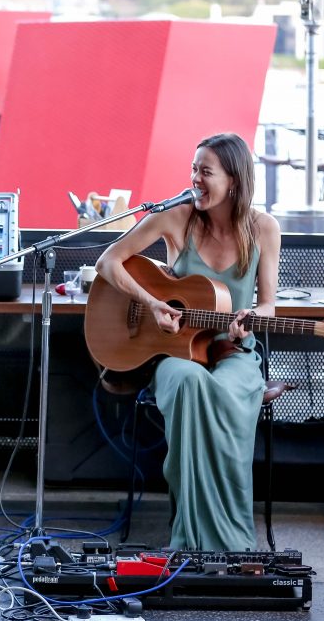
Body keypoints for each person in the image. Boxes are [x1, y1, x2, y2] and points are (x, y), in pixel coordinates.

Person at [95, 132, 281, 552]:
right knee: (189, 381)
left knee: (223, 391)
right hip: (176, 351)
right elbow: (108, 261)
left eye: (206, 171)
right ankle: (190, 536)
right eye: (193, 169)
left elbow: (269, 305)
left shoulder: (264, 229)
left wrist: (252, 318)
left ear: (234, 180)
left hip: (233, 352)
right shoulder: (175, 218)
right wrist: (151, 302)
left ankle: (228, 540)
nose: (195, 179)